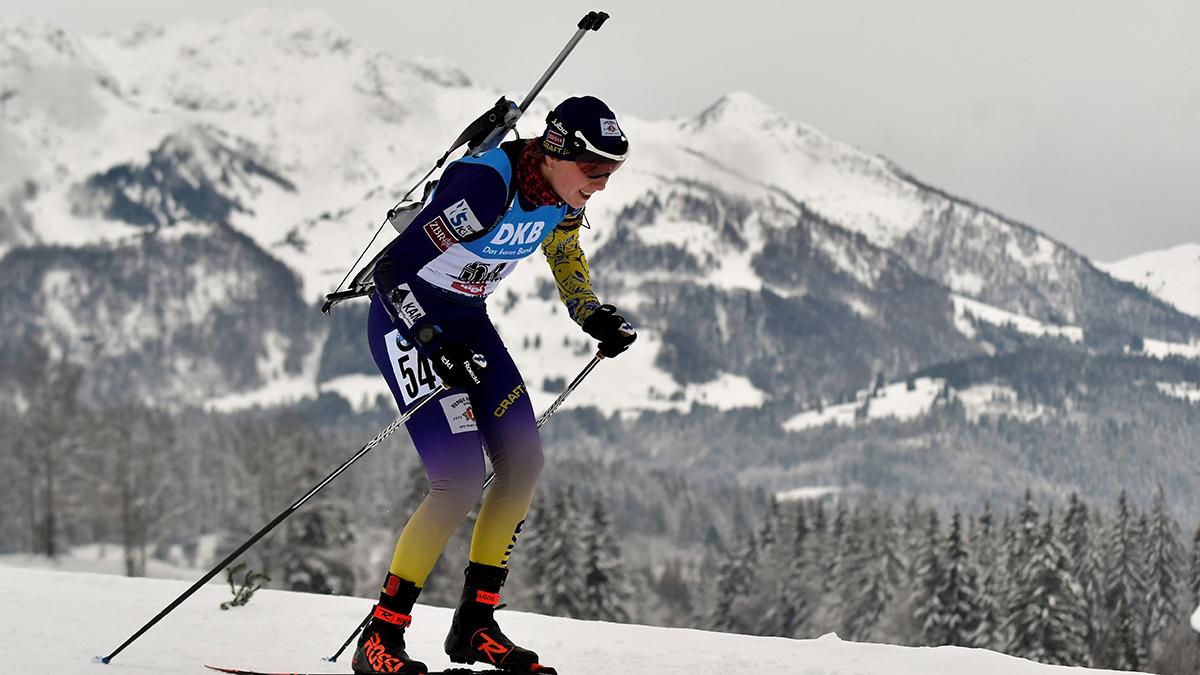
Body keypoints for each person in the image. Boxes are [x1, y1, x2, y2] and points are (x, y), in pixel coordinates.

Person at [354, 96, 637, 675]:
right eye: (594, 171)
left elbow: (563, 249)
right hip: (407, 322)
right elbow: (391, 271)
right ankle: (381, 636)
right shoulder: (483, 190)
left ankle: (474, 626)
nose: (602, 185)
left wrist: (590, 314)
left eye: (612, 173)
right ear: (558, 152)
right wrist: (432, 340)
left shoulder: (561, 197)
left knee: (523, 463)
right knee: (456, 480)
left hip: (466, 321)